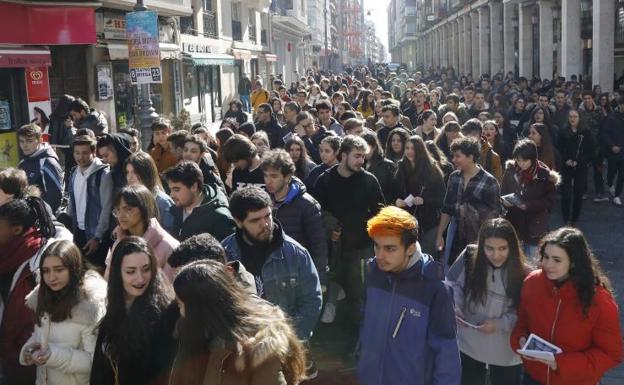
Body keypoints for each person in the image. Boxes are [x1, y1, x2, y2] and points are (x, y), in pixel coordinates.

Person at [358, 206, 461, 385]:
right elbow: (364, 324)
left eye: (390, 249)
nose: (380, 255)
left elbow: (447, 354)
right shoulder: (373, 272)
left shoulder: (435, 288)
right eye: (377, 246)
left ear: (410, 248)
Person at [510, 228, 622, 385]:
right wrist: (520, 340)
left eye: (557, 260)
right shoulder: (532, 283)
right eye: (546, 257)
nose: (548, 264)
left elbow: (611, 354)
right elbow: (521, 323)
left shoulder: (599, 301)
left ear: (574, 262)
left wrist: (560, 363)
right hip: (534, 377)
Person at [168, 260, 306, 385]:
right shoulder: (198, 336)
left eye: (180, 305)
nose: (180, 313)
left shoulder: (259, 349)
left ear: (199, 308)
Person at [222, 186, 322, 341]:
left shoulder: (296, 254)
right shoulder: (225, 254)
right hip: (241, 348)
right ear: (238, 222)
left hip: (286, 346)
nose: (265, 224)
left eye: (267, 216)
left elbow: (311, 301)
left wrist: (287, 340)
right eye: (255, 220)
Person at [312, 135, 385, 329]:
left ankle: (356, 335)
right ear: (343, 155)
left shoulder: (369, 181)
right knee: (332, 290)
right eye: (357, 156)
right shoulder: (324, 180)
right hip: (332, 250)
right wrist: (329, 229)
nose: (361, 161)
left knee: (358, 293)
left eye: (363, 157)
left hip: (361, 249)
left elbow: (381, 213)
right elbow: (315, 213)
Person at [446, 218, 530, 385]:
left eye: (502, 249)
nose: (496, 255)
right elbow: (452, 284)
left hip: (505, 353)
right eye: (489, 248)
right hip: (468, 345)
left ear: (512, 247)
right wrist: (455, 306)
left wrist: (499, 324)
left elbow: (525, 313)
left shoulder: (525, 273)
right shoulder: (469, 257)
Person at [90, 237, 177, 385]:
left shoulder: (162, 317)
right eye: (131, 271)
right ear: (118, 273)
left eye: (146, 269)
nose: (140, 278)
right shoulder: (114, 310)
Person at [20, 240, 107, 385]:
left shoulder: (90, 308)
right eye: (46, 271)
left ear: (73, 268)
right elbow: (40, 335)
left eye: (59, 269)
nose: (51, 277)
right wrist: (30, 349)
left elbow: (94, 361)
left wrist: (52, 355)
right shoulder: (41, 297)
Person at [0, 197, 59, 385]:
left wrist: (26, 348)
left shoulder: (40, 261)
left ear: (16, 230)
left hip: (29, 358)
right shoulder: (6, 254)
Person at [261, 150, 328, 285]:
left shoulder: (307, 205)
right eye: (266, 176)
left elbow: (318, 245)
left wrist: (319, 280)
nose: (268, 181)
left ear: (287, 177)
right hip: (270, 273)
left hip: (298, 274)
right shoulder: (263, 200)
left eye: (274, 176)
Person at [436, 136, 501, 268]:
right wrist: (440, 235)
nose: (453, 160)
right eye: (453, 156)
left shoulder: (489, 182)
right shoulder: (454, 177)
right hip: (455, 235)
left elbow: (494, 217)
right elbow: (447, 208)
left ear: (471, 157)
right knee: (452, 272)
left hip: (478, 238)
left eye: (458, 156)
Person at [501, 139, 559, 259]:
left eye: (525, 160)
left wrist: (528, 205)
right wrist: (505, 202)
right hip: (514, 221)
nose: (521, 163)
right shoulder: (511, 170)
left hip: (535, 224)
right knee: (513, 261)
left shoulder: (544, 175)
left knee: (531, 261)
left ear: (533, 159)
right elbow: (503, 192)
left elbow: (550, 201)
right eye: (518, 159)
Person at [106, 185, 179, 279]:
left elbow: (170, 289)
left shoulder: (169, 247)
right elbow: (109, 280)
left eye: (128, 209)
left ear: (144, 209)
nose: (121, 215)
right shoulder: (118, 243)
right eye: (118, 210)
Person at [67, 135, 114, 266]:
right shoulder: (73, 173)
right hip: (78, 231)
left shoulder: (103, 174)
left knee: (95, 272)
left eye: (85, 153)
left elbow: (106, 207)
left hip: (96, 234)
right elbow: (72, 201)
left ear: (93, 152)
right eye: (77, 153)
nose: (80, 157)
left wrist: (97, 237)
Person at [395, 135, 446, 256]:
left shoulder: (432, 168)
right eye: (407, 148)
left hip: (429, 223)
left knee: (427, 256)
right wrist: (396, 201)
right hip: (407, 222)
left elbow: (442, 198)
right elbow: (394, 192)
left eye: (413, 149)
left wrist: (425, 201)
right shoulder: (401, 167)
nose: (409, 152)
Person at [164, 161, 235, 241]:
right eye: (171, 189)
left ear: (194, 187)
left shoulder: (221, 217)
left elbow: (230, 251)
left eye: (176, 190)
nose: (171, 195)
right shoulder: (177, 209)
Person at [558, 110, 595, 224]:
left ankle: (574, 219)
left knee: (578, 194)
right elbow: (559, 149)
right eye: (570, 116)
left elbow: (591, 150)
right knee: (566, 194)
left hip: (580, 166)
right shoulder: (563, 131)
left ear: (579, 118)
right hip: (566, 166)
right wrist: (566, 160)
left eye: (575, 116)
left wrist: (580, 161)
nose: (572, 119)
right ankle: (566, 219)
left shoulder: (586, 132)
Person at [17, 123, 64, 213]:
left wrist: (40, 217)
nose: (24, 145)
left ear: (40, 140)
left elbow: (55, 197)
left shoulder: (48, 162)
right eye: (21, 141)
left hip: (44, 219)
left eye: (29, 141)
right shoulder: (22, 163)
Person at [125, 151, 175, 234]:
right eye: (127, 172)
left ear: (146, 173)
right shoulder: (128, 199)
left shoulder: (163, 202)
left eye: (135, 172)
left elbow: (170, 235)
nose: (130, 177)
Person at [579, 91, 608, 202]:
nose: (587, 100)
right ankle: (583, 192)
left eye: (589, 98)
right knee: (583, 171)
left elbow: (604, 126)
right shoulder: (580, 112)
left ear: (592, 99)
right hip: (584, 146)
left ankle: (599, 193)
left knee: (598, 171)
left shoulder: (599, 110)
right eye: (585, 98)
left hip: (597, 146)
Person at [361, 130, 398, 203]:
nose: (362, 152)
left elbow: (394, 192)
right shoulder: (360, 164)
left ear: (374, 147)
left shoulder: (388, 165)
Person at [602, 95, 624, 206]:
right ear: (620, 105)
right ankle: (610, 183)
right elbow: (605, 133)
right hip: (613, 151)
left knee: (622, 174)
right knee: (611, 172)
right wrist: (612, 146)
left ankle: (617, 196)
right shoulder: (612, 117)